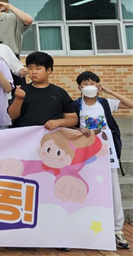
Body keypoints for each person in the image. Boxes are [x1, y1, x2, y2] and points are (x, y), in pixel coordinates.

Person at [74, 71, 131, 250]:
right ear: (79, 87)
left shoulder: (105, 103)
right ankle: (82, 227)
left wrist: (109, 91)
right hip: (86, 155)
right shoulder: (76, 105)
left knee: (114, 191)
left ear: (98, 85)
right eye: (85, 83)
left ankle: (117, 229)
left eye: (92, 83)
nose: (89, 86)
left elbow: (130, 104)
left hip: (107, 153)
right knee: (86, 190)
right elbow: (71, 125)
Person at [8, 52, 77, 129]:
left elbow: (73, 118)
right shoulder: (21, 91)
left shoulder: (59, 92)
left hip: (52, 134)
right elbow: (12, 115)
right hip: (27, 135)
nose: (33, 72)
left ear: (49, 70)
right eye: (30, 68)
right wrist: (18, 99)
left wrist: (59, 122)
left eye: (38, 68)